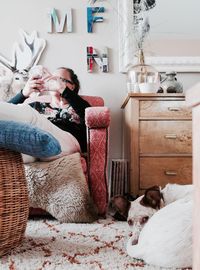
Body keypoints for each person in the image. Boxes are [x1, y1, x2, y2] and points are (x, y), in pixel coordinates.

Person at [9, 67, 91, 153]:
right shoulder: (36, 106)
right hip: (35, 146)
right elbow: (7, 112)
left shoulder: (79, 107)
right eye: (51, 79)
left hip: (65, 146)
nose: (54, 82)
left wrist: (62, 89)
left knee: (32, 117)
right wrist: (23, 94)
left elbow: (91, 117)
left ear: (72, 86)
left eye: (61, 80)